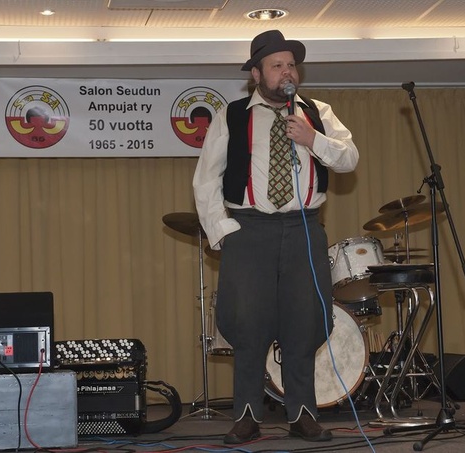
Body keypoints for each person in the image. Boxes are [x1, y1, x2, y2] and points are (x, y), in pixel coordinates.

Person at [192, 30, 359, 444]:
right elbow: (206, 179)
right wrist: (224, 233)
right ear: (256, 74)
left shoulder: (317, 112)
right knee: (248, 324)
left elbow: (349, 159)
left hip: (304, 228)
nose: (287, 72)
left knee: (305, 322)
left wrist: (312, 138)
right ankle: (247, 416)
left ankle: (302, 414)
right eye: (277, 65)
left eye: (291, 65)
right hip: (249, 231)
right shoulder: (231, 115)